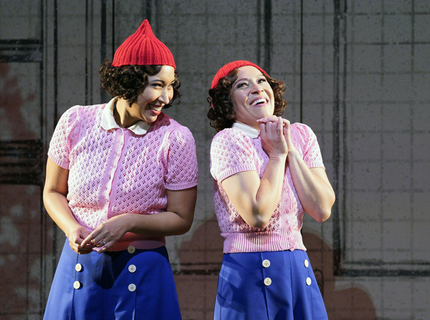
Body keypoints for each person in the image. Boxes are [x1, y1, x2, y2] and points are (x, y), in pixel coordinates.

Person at [42, 20, 198, 320]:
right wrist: (70, 228)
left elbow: (181, 218)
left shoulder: (175, 137)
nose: (166, 97)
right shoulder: (76, 121)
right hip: (79, 265)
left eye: (170, 86)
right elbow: (52, 191)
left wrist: (127, 222)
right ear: (129, 81)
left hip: (143, 267)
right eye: (157, 85)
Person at [207, 60, 335, 320]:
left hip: (297, 268)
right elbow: (258, 215)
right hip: (252, 271)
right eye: (243, 85)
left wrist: (289, 150)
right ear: (227, 105)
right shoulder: (230, 140)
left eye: (262, 81)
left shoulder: (300, 134)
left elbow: (322, 209)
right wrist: (276, 158)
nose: (257, 89)